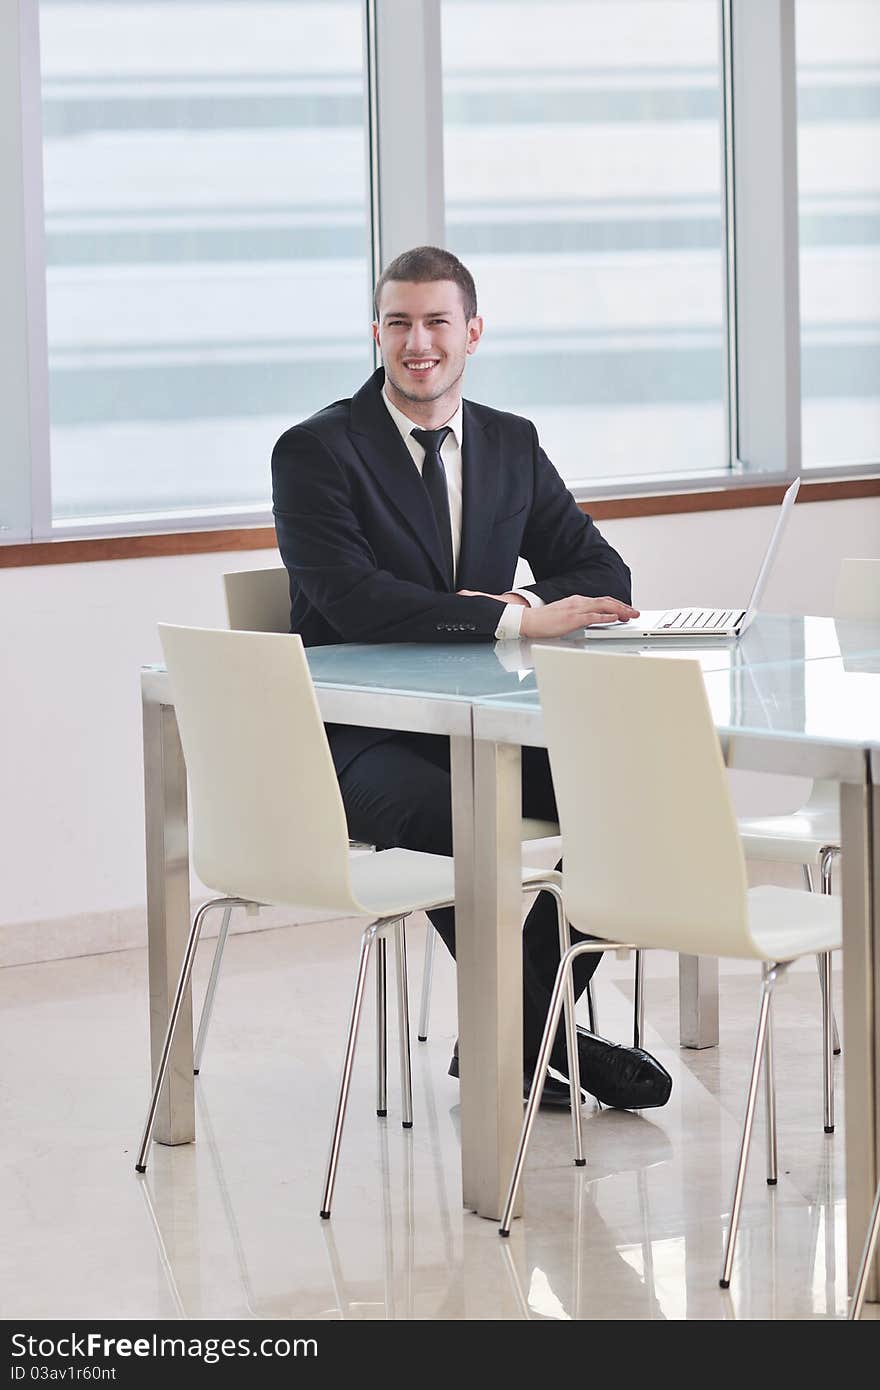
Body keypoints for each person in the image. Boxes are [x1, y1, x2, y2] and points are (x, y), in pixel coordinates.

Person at [272, 245, 671, 1111]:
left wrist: (527, 594)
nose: (419, 343)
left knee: (635, 792)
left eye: (437, 322)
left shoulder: (510, 444)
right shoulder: (314, 451)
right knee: (465, 821)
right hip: (359, 738)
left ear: (473, 332)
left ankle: (517, 1035)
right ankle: (546, 1039)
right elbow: (353, 603)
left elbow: (602, 572)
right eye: (400, 323)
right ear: (376, 334)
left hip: (485, 725)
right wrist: (515, 618)